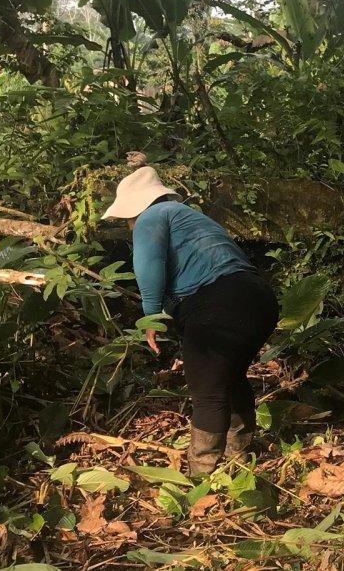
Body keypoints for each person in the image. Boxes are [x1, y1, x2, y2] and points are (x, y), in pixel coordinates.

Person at [102, 166, 278, 476]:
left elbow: (148, 267)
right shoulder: (190, 216)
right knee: (229, 376)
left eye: (127, 219)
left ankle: (202, 475)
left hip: (217, 301)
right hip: (258, 298)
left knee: (207, 389)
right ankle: (241, 458)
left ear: (137, 208)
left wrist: (152, 318)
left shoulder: (152, 217)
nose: (129, 226)